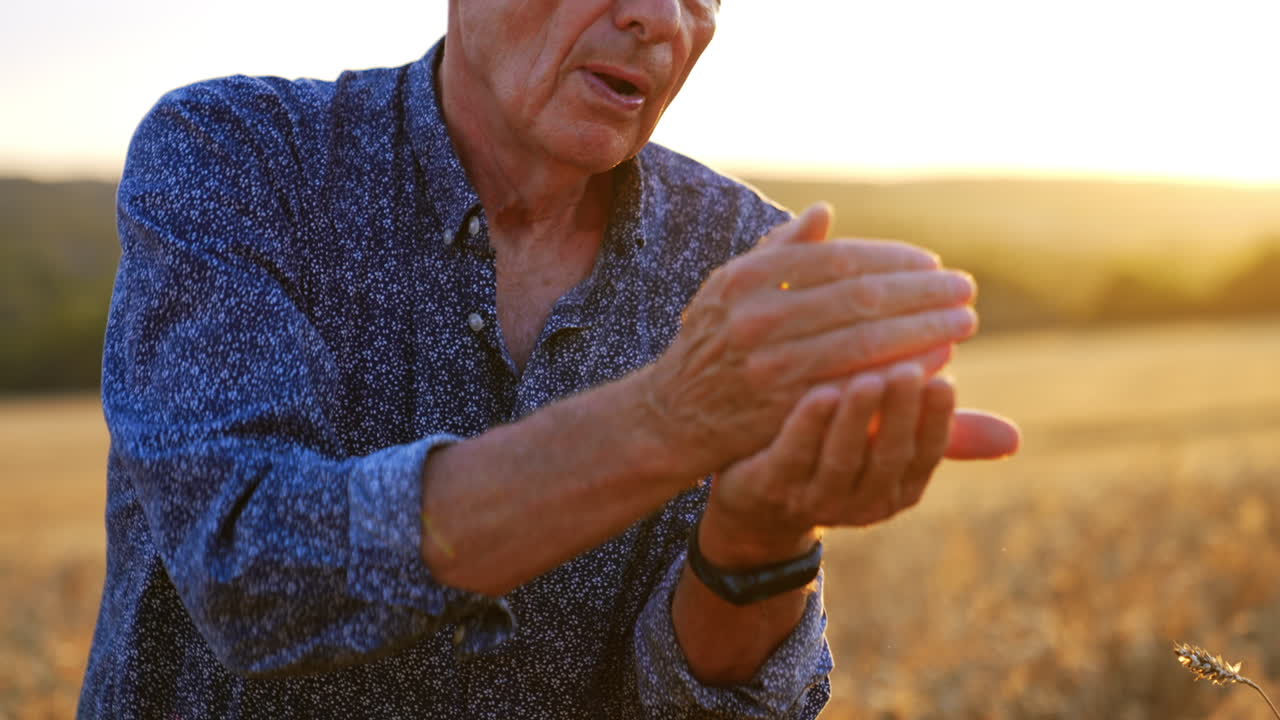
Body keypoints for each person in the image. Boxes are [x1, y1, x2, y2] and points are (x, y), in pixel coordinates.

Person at [79, 1, 1019, 718]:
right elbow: (251, 572)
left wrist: (763, 535)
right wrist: (668, 419)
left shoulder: (740, 255)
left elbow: (701, 703)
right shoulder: (239, 157)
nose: (660, 19)